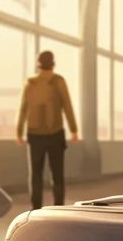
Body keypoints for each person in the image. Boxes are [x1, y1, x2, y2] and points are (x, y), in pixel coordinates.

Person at [16, 50, 78, 209]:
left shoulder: (30, 83)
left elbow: (23, 108)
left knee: (35, 175)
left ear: (38, 64)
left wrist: (18, 131)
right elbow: (67, 105)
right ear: (53, 63)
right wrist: (73, 129)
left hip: (34, 134)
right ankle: (58, 207)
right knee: (57, 174)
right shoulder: (58, 81)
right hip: (55, 133)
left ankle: (35, 208)